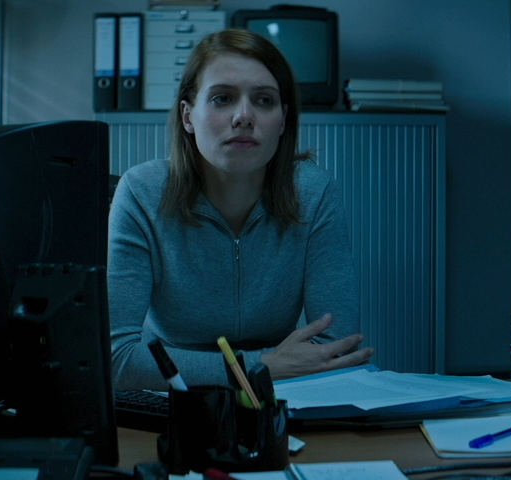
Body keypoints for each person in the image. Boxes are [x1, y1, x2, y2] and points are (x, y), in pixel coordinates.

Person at [108, 29, 375, 392]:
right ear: (188, 116)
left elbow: (337, 347)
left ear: (283, 119)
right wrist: (262, 366)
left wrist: (268, 371)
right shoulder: (142, 193)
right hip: (175, 397)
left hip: (280, 396)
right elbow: (116, 358)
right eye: (222, 98)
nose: (244, 116)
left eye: (264, 100)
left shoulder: (314, 193)